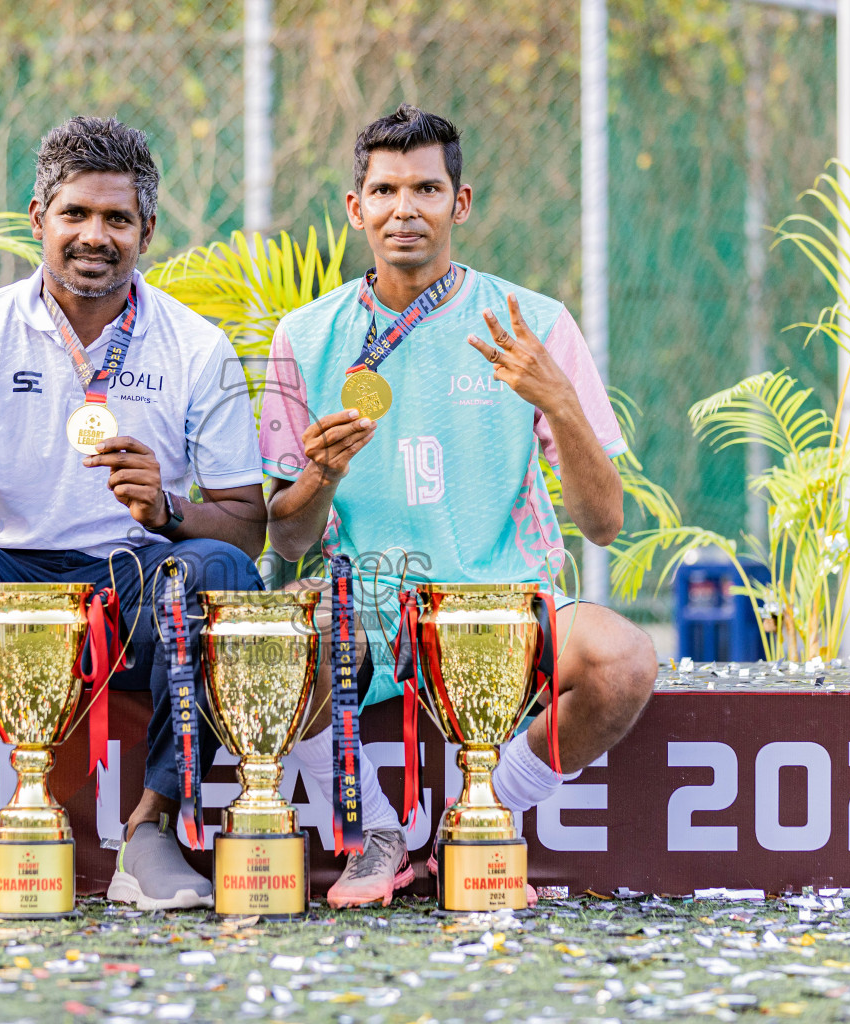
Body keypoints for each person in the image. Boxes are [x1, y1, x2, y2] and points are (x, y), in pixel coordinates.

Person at [0, 116, 266, 911]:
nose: (94, 236)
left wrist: (170, 507)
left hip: (131, 582)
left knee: (226, 575)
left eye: (116, 219)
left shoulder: (196, 345)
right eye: (75, 214)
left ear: (148, 230)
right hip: (2, 579)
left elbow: (248, 525)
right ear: (39, 220)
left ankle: (151, 833)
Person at [260, 105, 658, 908]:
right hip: (368, 604)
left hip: (507, 600)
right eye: (384, 190)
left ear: (460, 202)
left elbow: (604, 522)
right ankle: (377, 835)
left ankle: (484, 813)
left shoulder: (533, 325)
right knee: (277, 645)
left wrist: (562, 405)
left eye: (426, 189)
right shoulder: (304, 336)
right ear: (356, 207)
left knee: (623, 661)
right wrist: (323, 477)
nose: (404, 208)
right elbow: (290, 534)